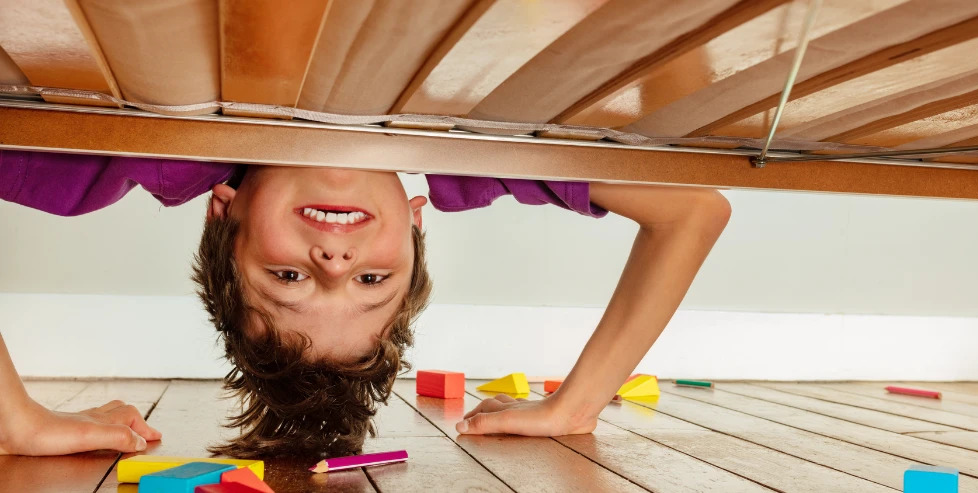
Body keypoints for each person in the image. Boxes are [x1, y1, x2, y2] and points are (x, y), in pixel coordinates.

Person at [0, 149, 730, 457]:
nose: (335, 262)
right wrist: (573, 407)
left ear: (223, 213)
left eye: (287, 278)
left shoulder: (113, 160)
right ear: (417, 225)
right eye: (371, 284)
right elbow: (693, 211)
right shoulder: (487, 148)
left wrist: (17, 416)